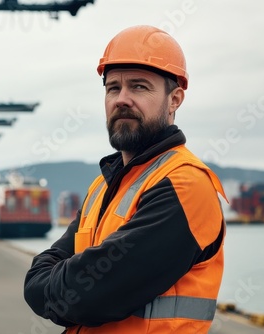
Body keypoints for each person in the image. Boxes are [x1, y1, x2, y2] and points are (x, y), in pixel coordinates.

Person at [23, 25, 228, 334]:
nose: (122, 99)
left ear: (175, 100)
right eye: (113, 88)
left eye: (139, 87)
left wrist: (57, 288)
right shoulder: (102, 187)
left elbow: (84, 297)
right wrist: (58, 285)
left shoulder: (185, 185)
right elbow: (36, 277)